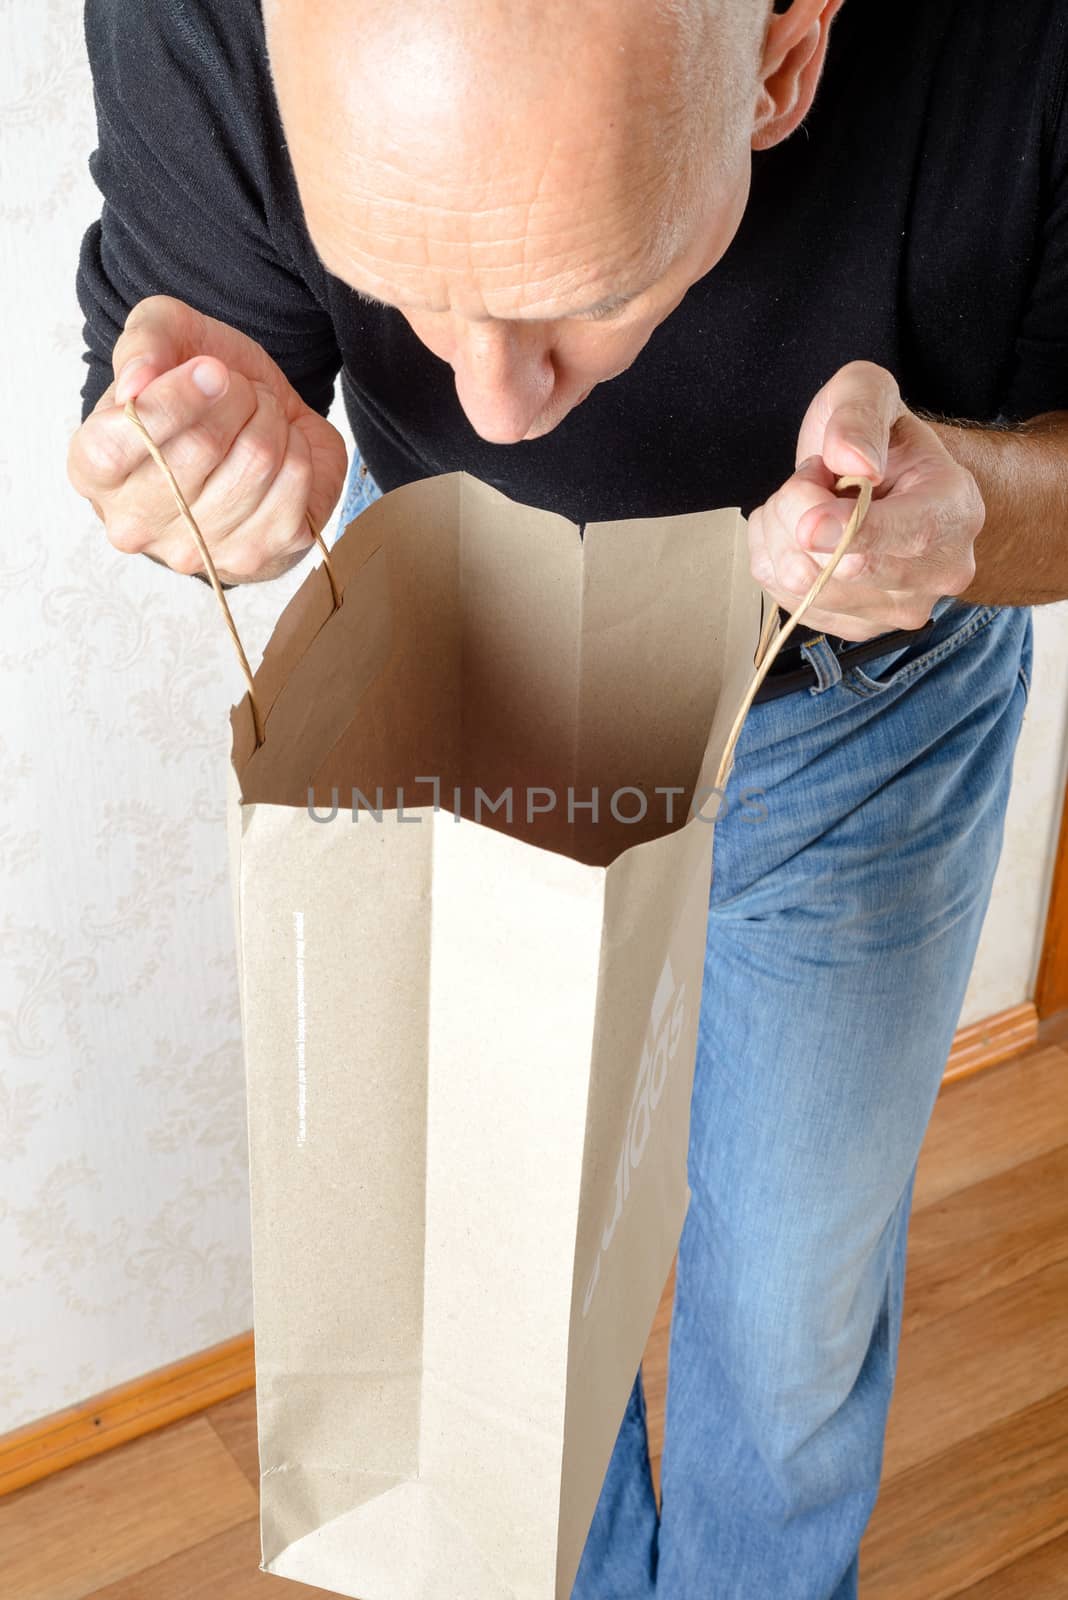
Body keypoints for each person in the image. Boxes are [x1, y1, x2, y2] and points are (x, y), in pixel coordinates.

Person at [67, 1, 1064, 1594]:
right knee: (496, 1314)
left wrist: (980, 503)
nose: (495, 410)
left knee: (789, 1327)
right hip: (470, 673)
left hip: (860, 721)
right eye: (407, 286)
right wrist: (199, 450)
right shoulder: (202, 15)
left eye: (589, 296)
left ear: (784, 61)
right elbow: (177, 351)